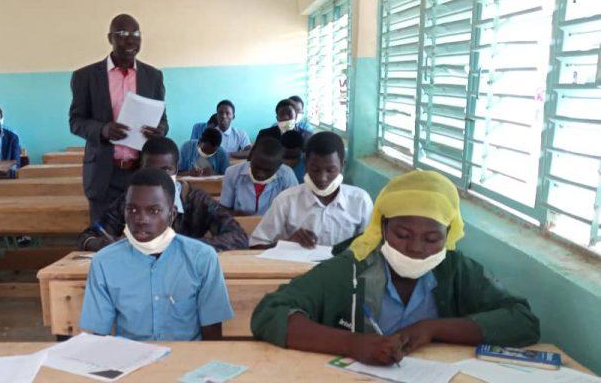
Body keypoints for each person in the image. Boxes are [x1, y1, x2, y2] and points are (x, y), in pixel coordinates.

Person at [251, 170, 540, 366]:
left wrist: (433, 328)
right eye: (402, 234)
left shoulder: (456, 271)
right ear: (382, 227)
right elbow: (269, 313)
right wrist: (353, 344)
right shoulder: (350, 269)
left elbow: (523, 321)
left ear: (449, 234)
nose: (415, 248)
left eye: (432, 239)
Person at [79, 168, 234, 341]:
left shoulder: (201, 258)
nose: (141, 219)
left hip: (188, 355)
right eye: (132, 210)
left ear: (172, 214)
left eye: (154, 211)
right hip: (131, 355)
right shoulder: (104, 262)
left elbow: (212, 337)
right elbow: (99, 337)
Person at [69, 14, 168, 223]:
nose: (131, 40)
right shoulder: (85, 77)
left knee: (142, 233)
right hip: (104, 174)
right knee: (104, 236)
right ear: (110, 38)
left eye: (136, 34)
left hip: (142, 171)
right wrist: (102, 130)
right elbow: (76, 122)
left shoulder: (153, 76)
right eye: (122, 34)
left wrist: (159, 131)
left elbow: (163, 121)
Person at [78, 137, 247, 252]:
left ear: (176, 169)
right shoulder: (129, 200)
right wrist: (106, 244)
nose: (158, 177)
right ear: (140, 169)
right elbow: (89, 236)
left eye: (166, 170)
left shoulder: (196, 200)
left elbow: (238, 237)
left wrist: (180, 247)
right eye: (150, 170)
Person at [250, 132, 372, 248]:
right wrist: (288, 243)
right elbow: (256, 245)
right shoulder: (286, 201)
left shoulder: (360, 201)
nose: (322, 178)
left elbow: (372, 245)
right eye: (315, 170)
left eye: (330, 170)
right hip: (295, 264)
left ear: (342, 165)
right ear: (305, 164)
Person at [219, 137, 298, 216]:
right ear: (251, 156)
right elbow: (224, 208)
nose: (260, 174)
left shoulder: (287, 175)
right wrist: (236, 214)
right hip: (239, 223)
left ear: (279, 165)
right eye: (256, 167)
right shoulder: (232, 173)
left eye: (268, 170)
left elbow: (294, 212)